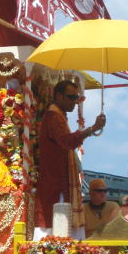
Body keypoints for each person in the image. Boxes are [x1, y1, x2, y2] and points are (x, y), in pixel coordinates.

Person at [35, 80, 106, 238]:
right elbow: (67, 141)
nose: (75, 101)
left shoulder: (58, 116)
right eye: (71, 97)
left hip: (58, 185)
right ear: (59, 96)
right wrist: (93, 128)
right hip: (55, 186)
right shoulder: (53, 117)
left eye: (77, 98)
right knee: (56, 233)